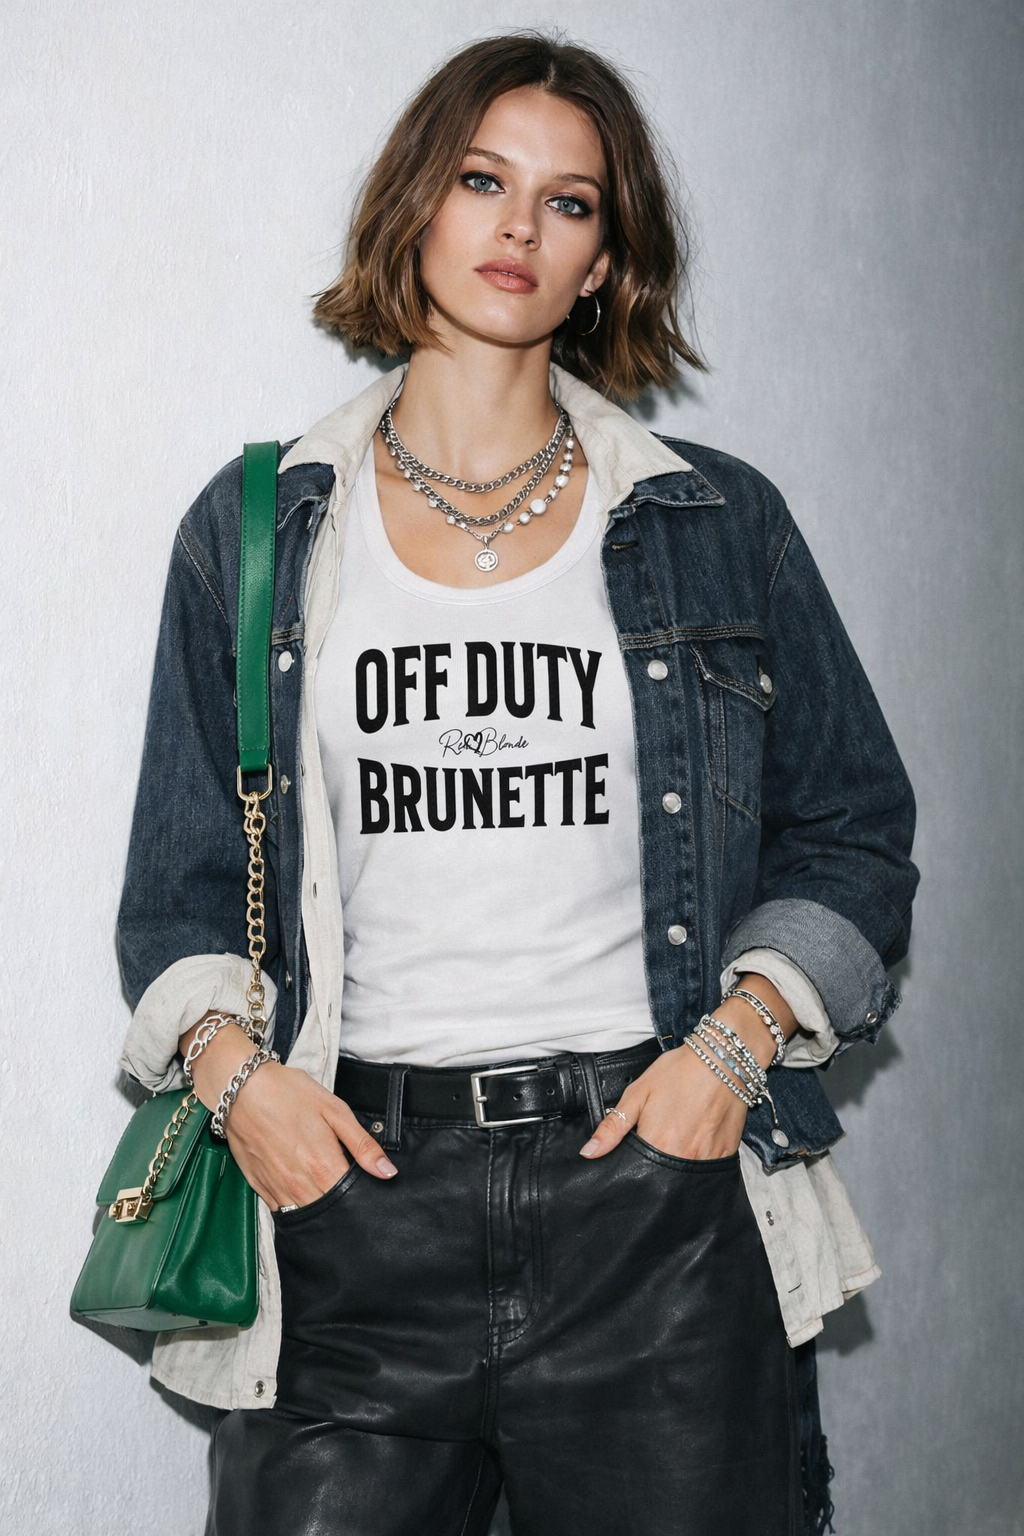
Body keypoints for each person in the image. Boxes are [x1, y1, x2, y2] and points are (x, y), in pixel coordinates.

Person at [115, 31, 918, 1536]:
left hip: (651, 1211)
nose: (518, 228)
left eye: (572, 203)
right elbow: (172, 895)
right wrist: (244, 1093)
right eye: (484, 180)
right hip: (351, 1209)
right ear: (417, 205)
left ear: (607, 264)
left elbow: (858, 834)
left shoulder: (714, 523)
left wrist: (730, 1053)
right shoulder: (258, 533)